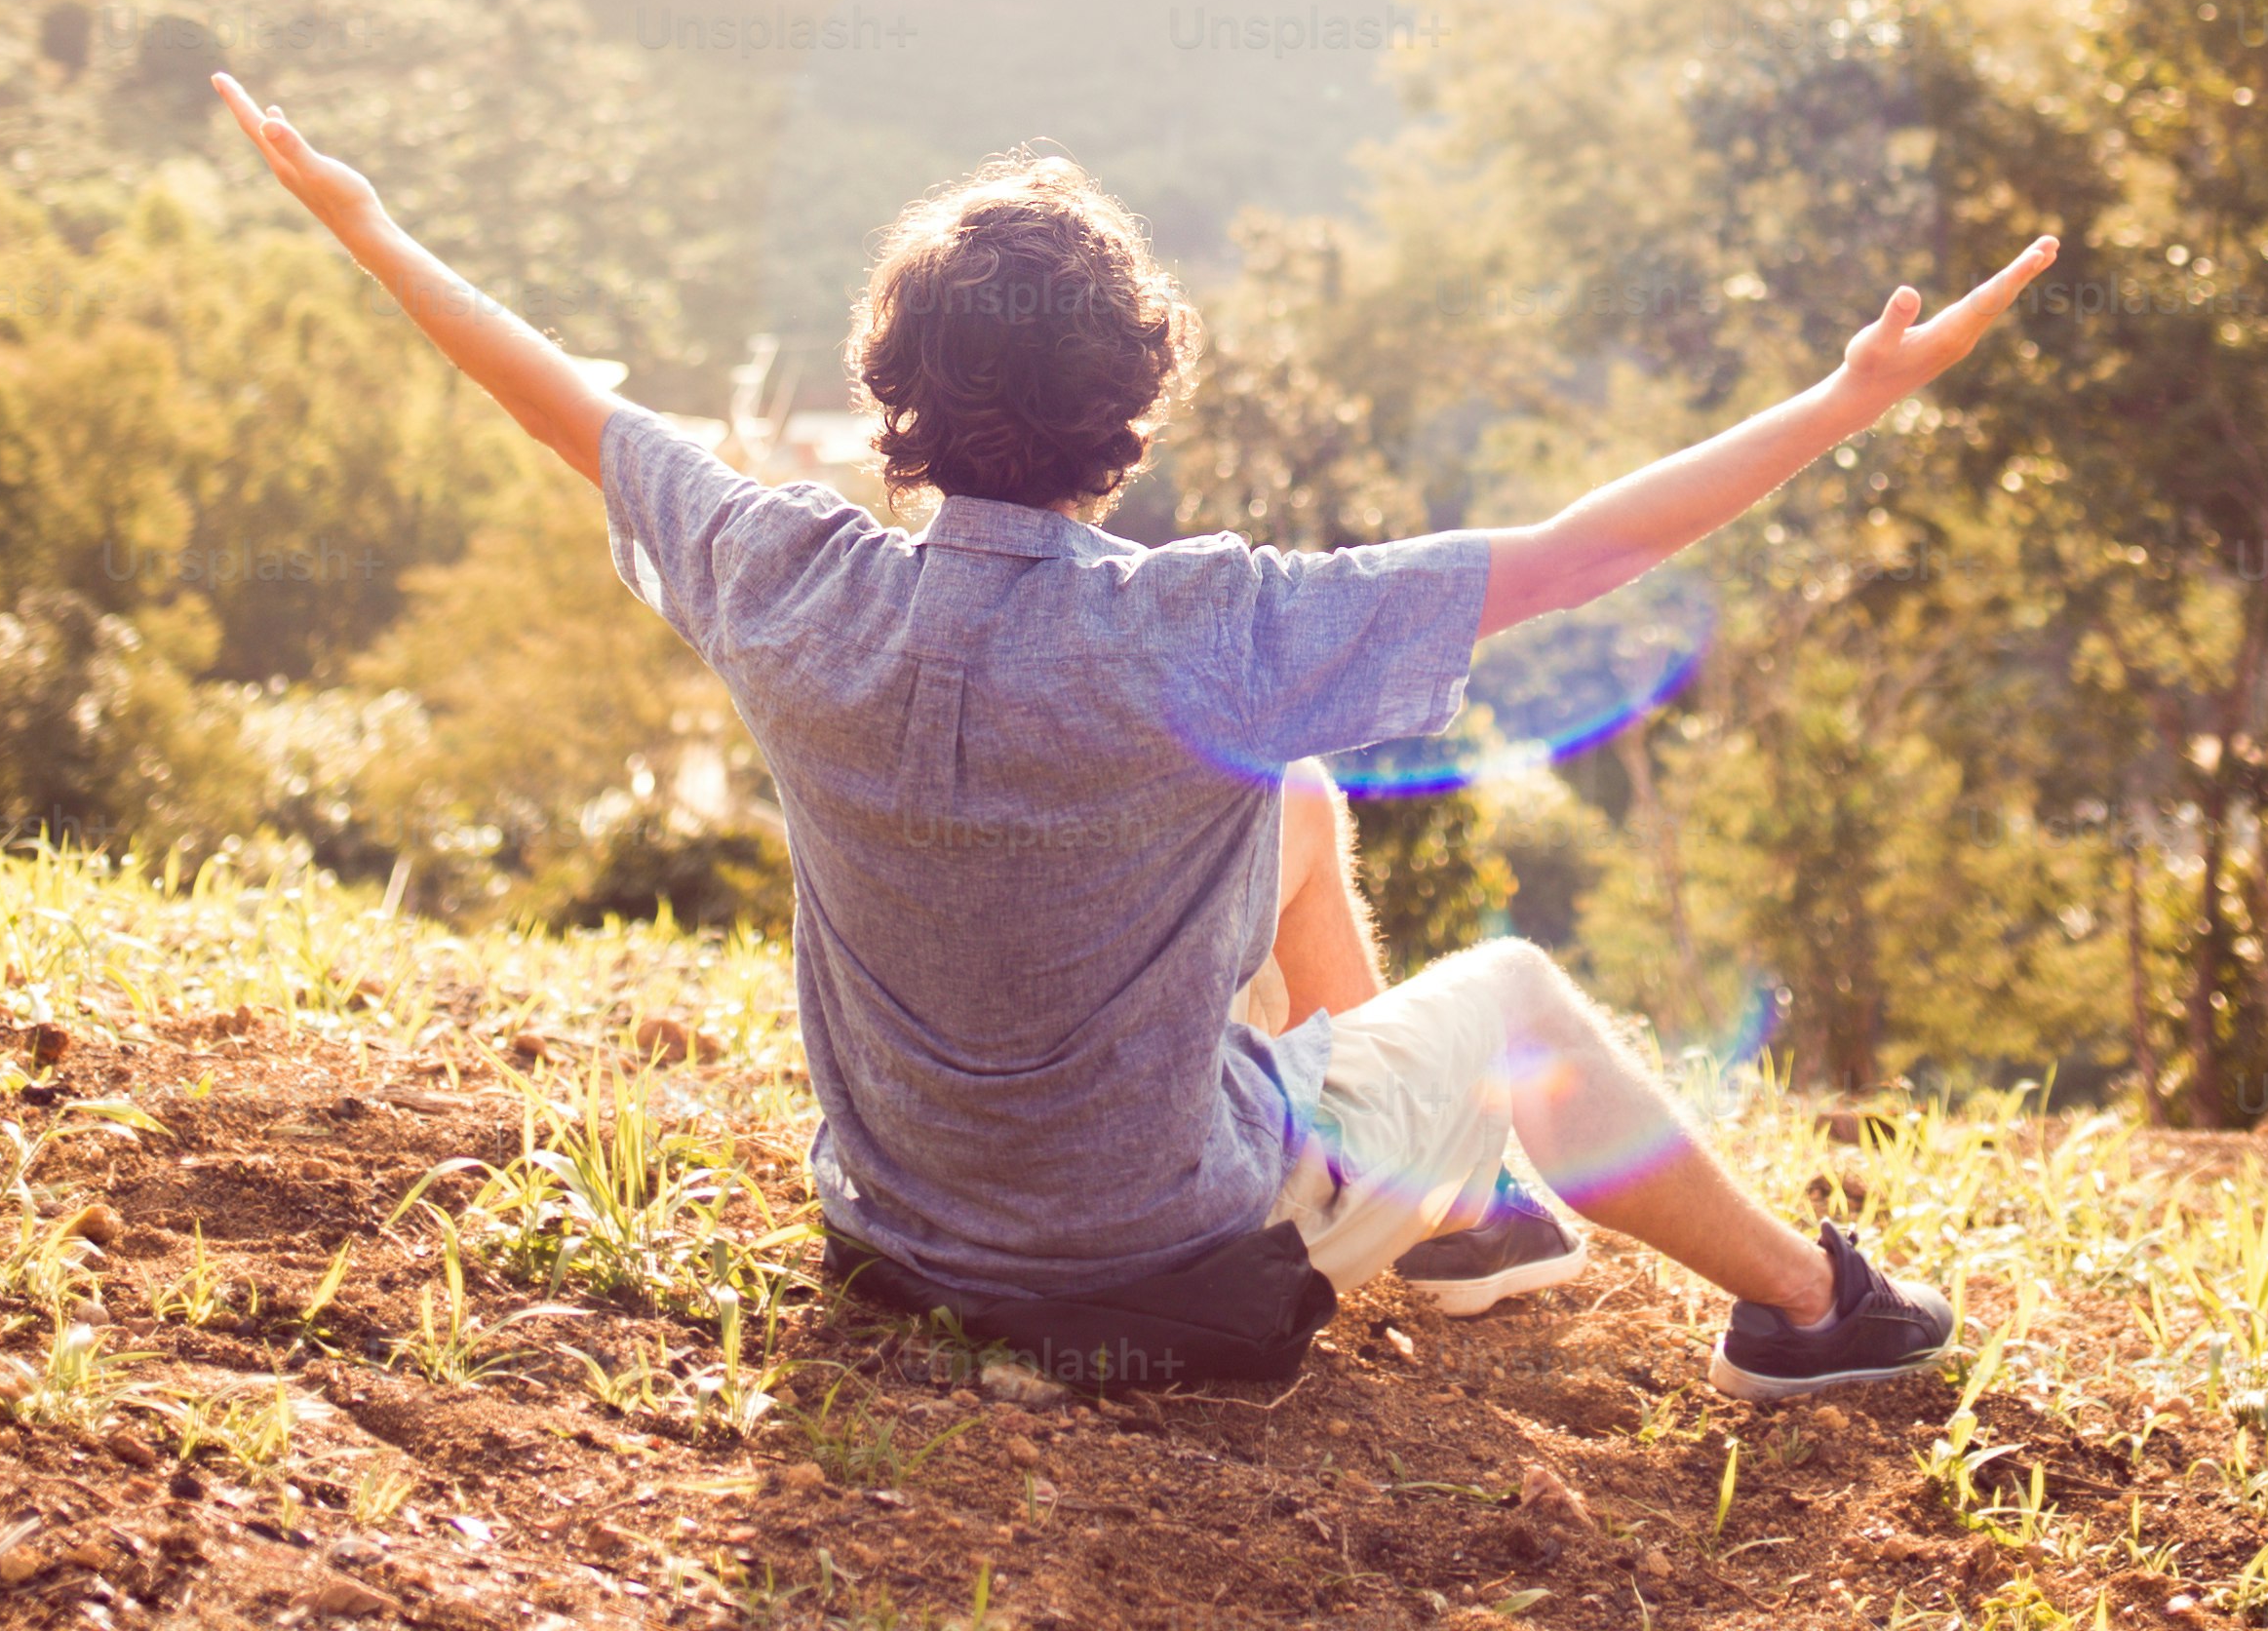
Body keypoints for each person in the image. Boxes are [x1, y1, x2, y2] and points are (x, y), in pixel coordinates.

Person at [216, 78, 2054, 1398]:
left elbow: (579, 417)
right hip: (1164, 1265)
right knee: (1508, 1001)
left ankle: (1462, 1214)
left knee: (1306, 805)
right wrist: (1844, 397)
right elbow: (1585, 553)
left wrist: (375, 233)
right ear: (1136, 415)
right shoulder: (1211, 632)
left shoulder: (791, 589)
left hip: (900, 1238)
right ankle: (1818, 1309)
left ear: (894, 400)